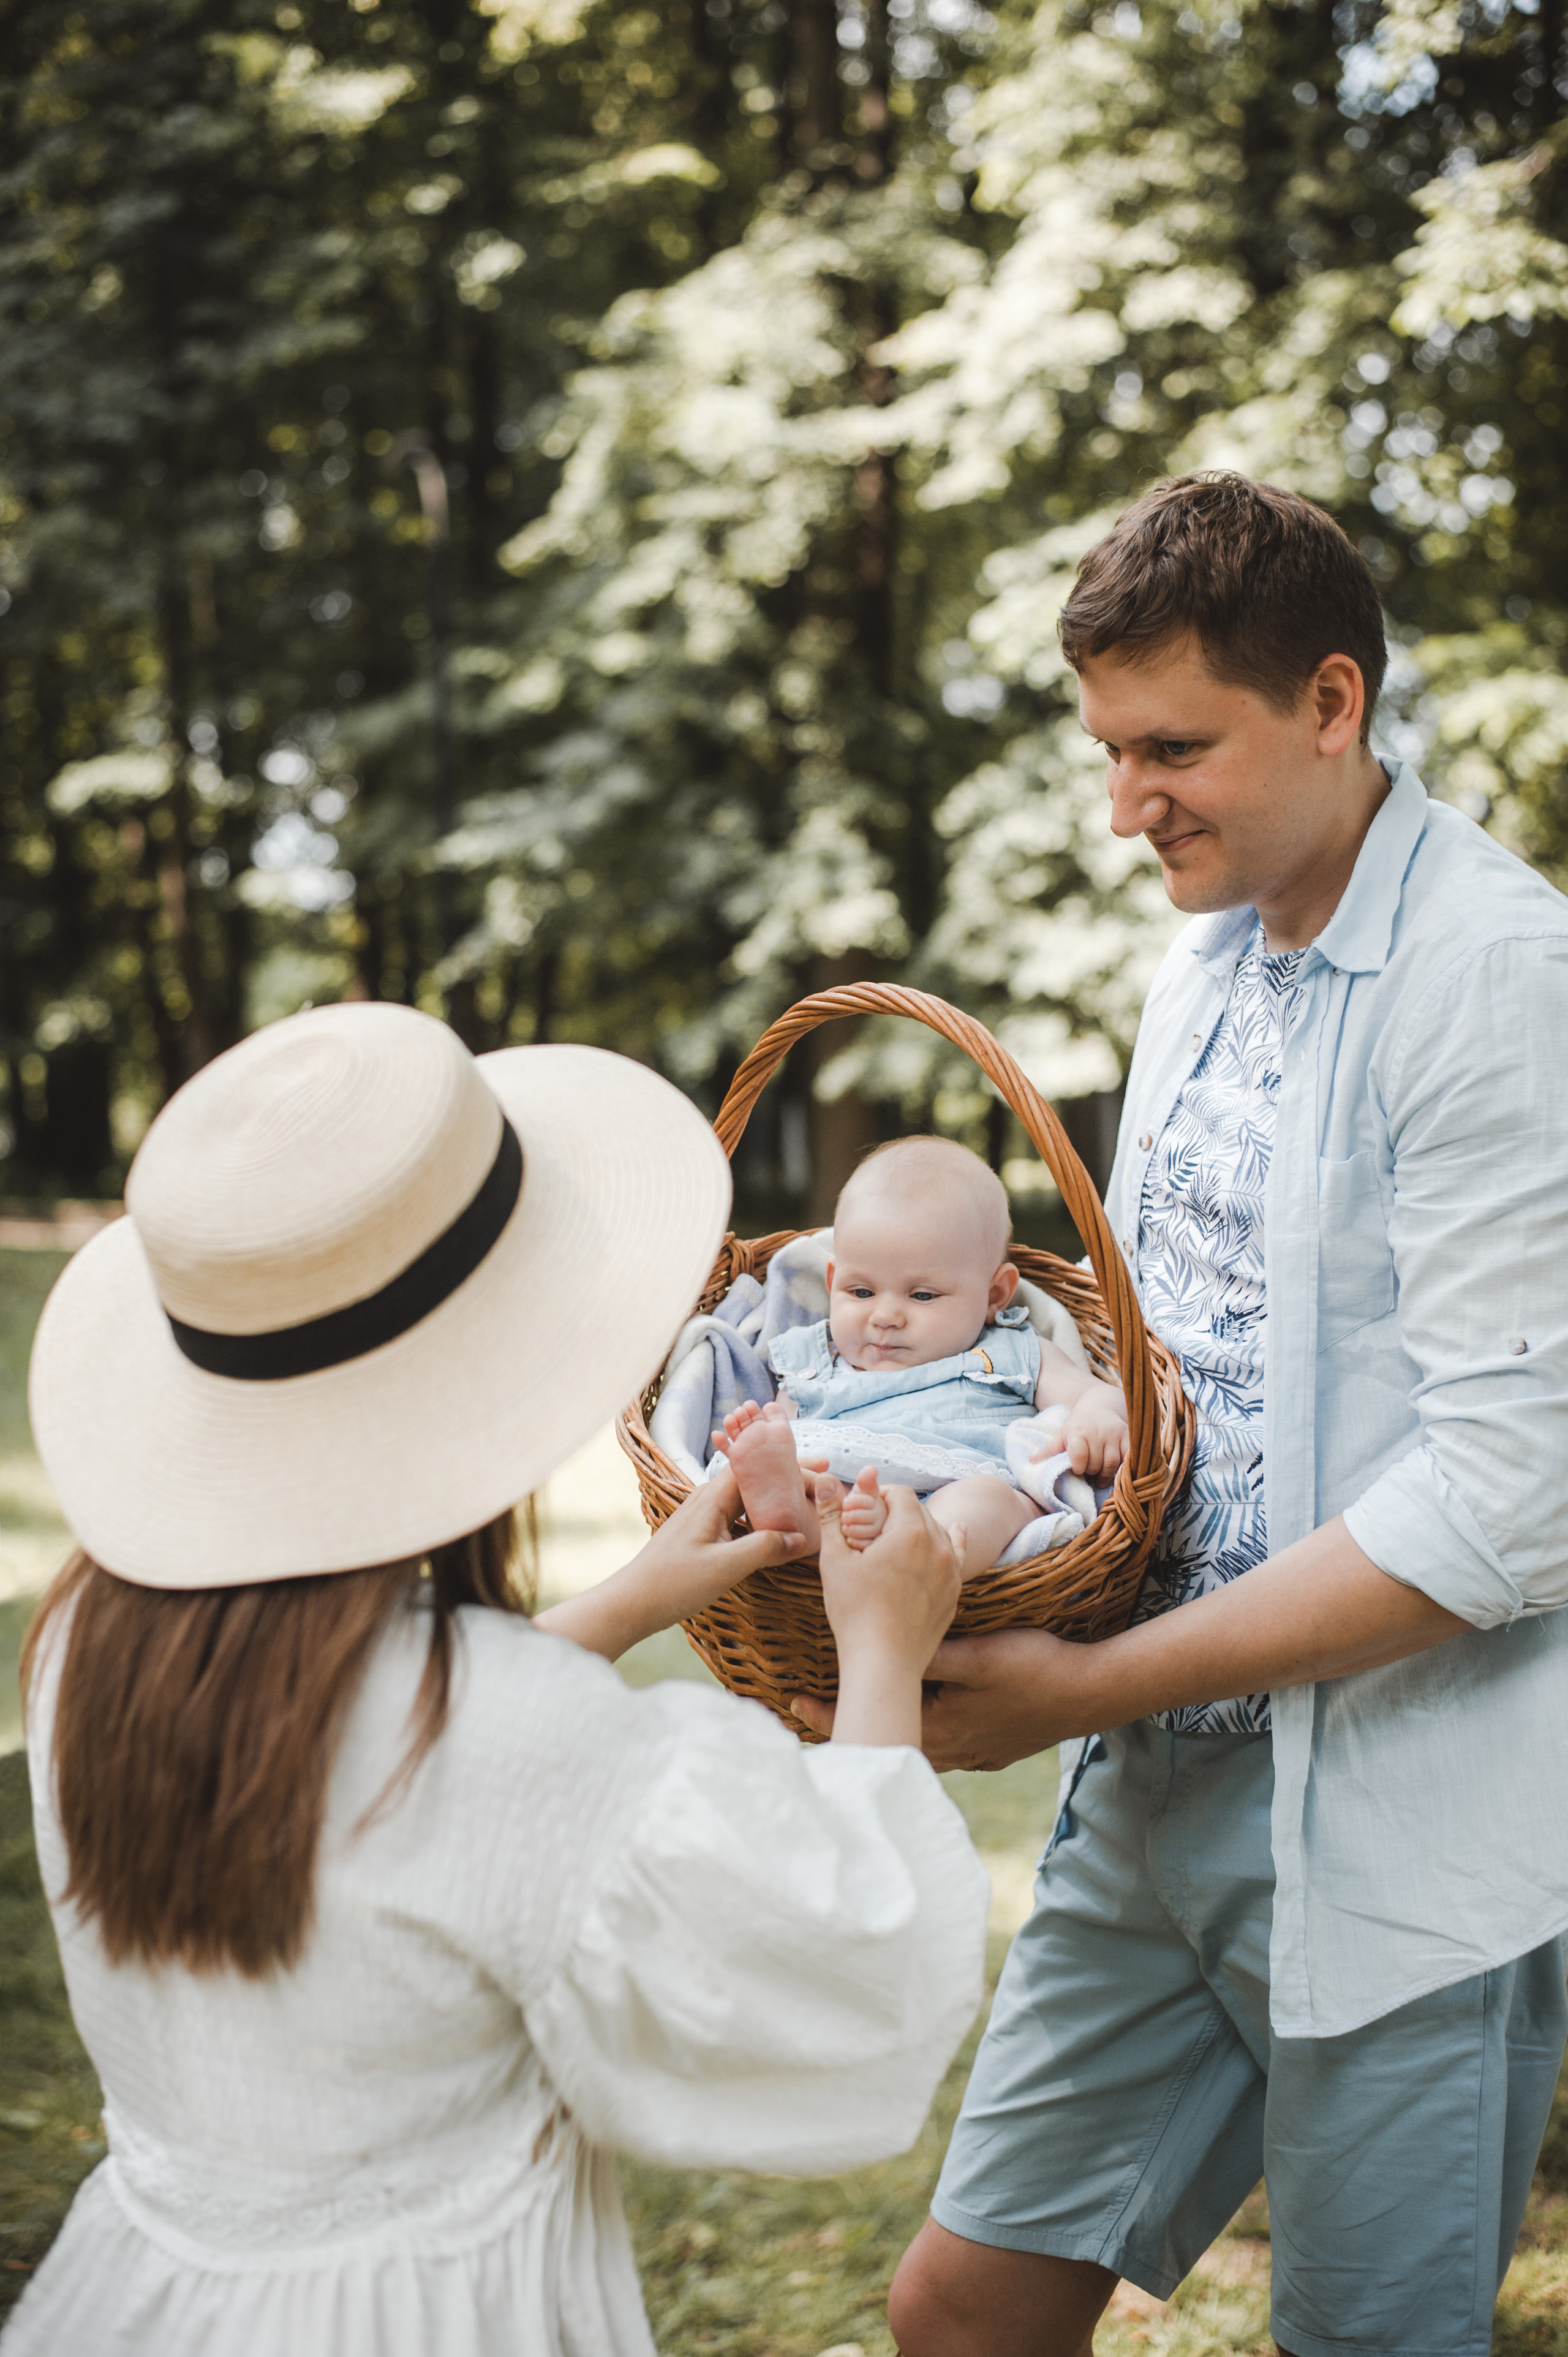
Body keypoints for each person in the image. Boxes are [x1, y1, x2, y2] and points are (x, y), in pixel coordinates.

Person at [796, 474, 1568, 2357]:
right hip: (1143, 1797)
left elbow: (1513, 1497)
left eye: (1171, 748)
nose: (1127, 803)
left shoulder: (1495, 979)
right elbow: (1162, 1360)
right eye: (1107, 750)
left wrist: (1080, 1689)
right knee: (963, 2313)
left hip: (1392, 1824)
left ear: (1329, 701)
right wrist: (993, 1487)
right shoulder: (1199, 953)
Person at [6, 1001, 989, 2357]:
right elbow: (848, 1984)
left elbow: (383, 1769)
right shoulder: (523, 1741)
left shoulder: (81, 1654)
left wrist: (639, 1593)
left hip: (139, 2299)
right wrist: (884, 1654)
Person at [714, 1134, 1129, 1576]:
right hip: (852, 1494)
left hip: (960, 1491)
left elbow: (1098, 1395)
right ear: (832, 1281)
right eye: (861, 1291)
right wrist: (771, 1442)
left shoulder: (1014, 1349)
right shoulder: (815, 1358)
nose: (886, 1316)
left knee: (990, 1499)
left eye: (923, 1295)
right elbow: (797, 1431)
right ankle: (802, 1526)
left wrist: (1096, 1418)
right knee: (810, 1476)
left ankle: (914, 1565)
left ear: (994, 1295)